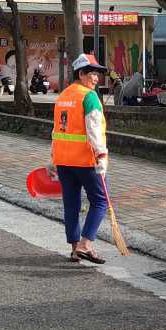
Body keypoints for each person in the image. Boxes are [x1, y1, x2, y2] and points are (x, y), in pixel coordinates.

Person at [51, 53, 110, 264]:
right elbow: (94, 129)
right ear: (81, 73)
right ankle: (86, 245)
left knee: (71, 204)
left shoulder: (62, 96)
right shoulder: (89, 97)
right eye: (92, 74)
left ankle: (75, 250)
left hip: (64, 161)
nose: (96, 79)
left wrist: (52, 159)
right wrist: (101, 156)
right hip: (86, 161)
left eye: (97, 75)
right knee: (100, 201)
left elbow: (56, 130)